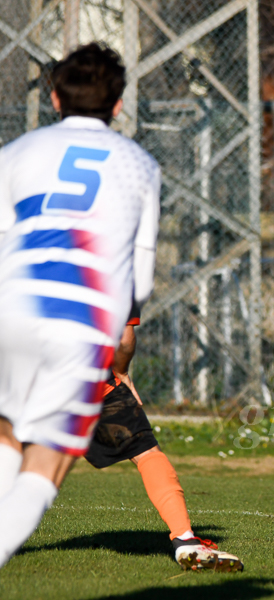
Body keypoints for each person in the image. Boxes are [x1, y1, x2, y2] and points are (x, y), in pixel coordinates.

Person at [0, 43, 159, 567]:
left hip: (11, 309)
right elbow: (139, 281)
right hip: (80, 324)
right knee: (46, 462)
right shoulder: (140, 165)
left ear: (53, 97)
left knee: (7, 433)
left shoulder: (16, 152)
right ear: (118, 104)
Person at [82, 303, 243, 571]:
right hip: (90, 377)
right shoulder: (117, 274)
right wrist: (121, 373)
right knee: (146, 453)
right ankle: (185, 539)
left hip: (28, 376)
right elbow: (124, 339)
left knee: (21, 454)